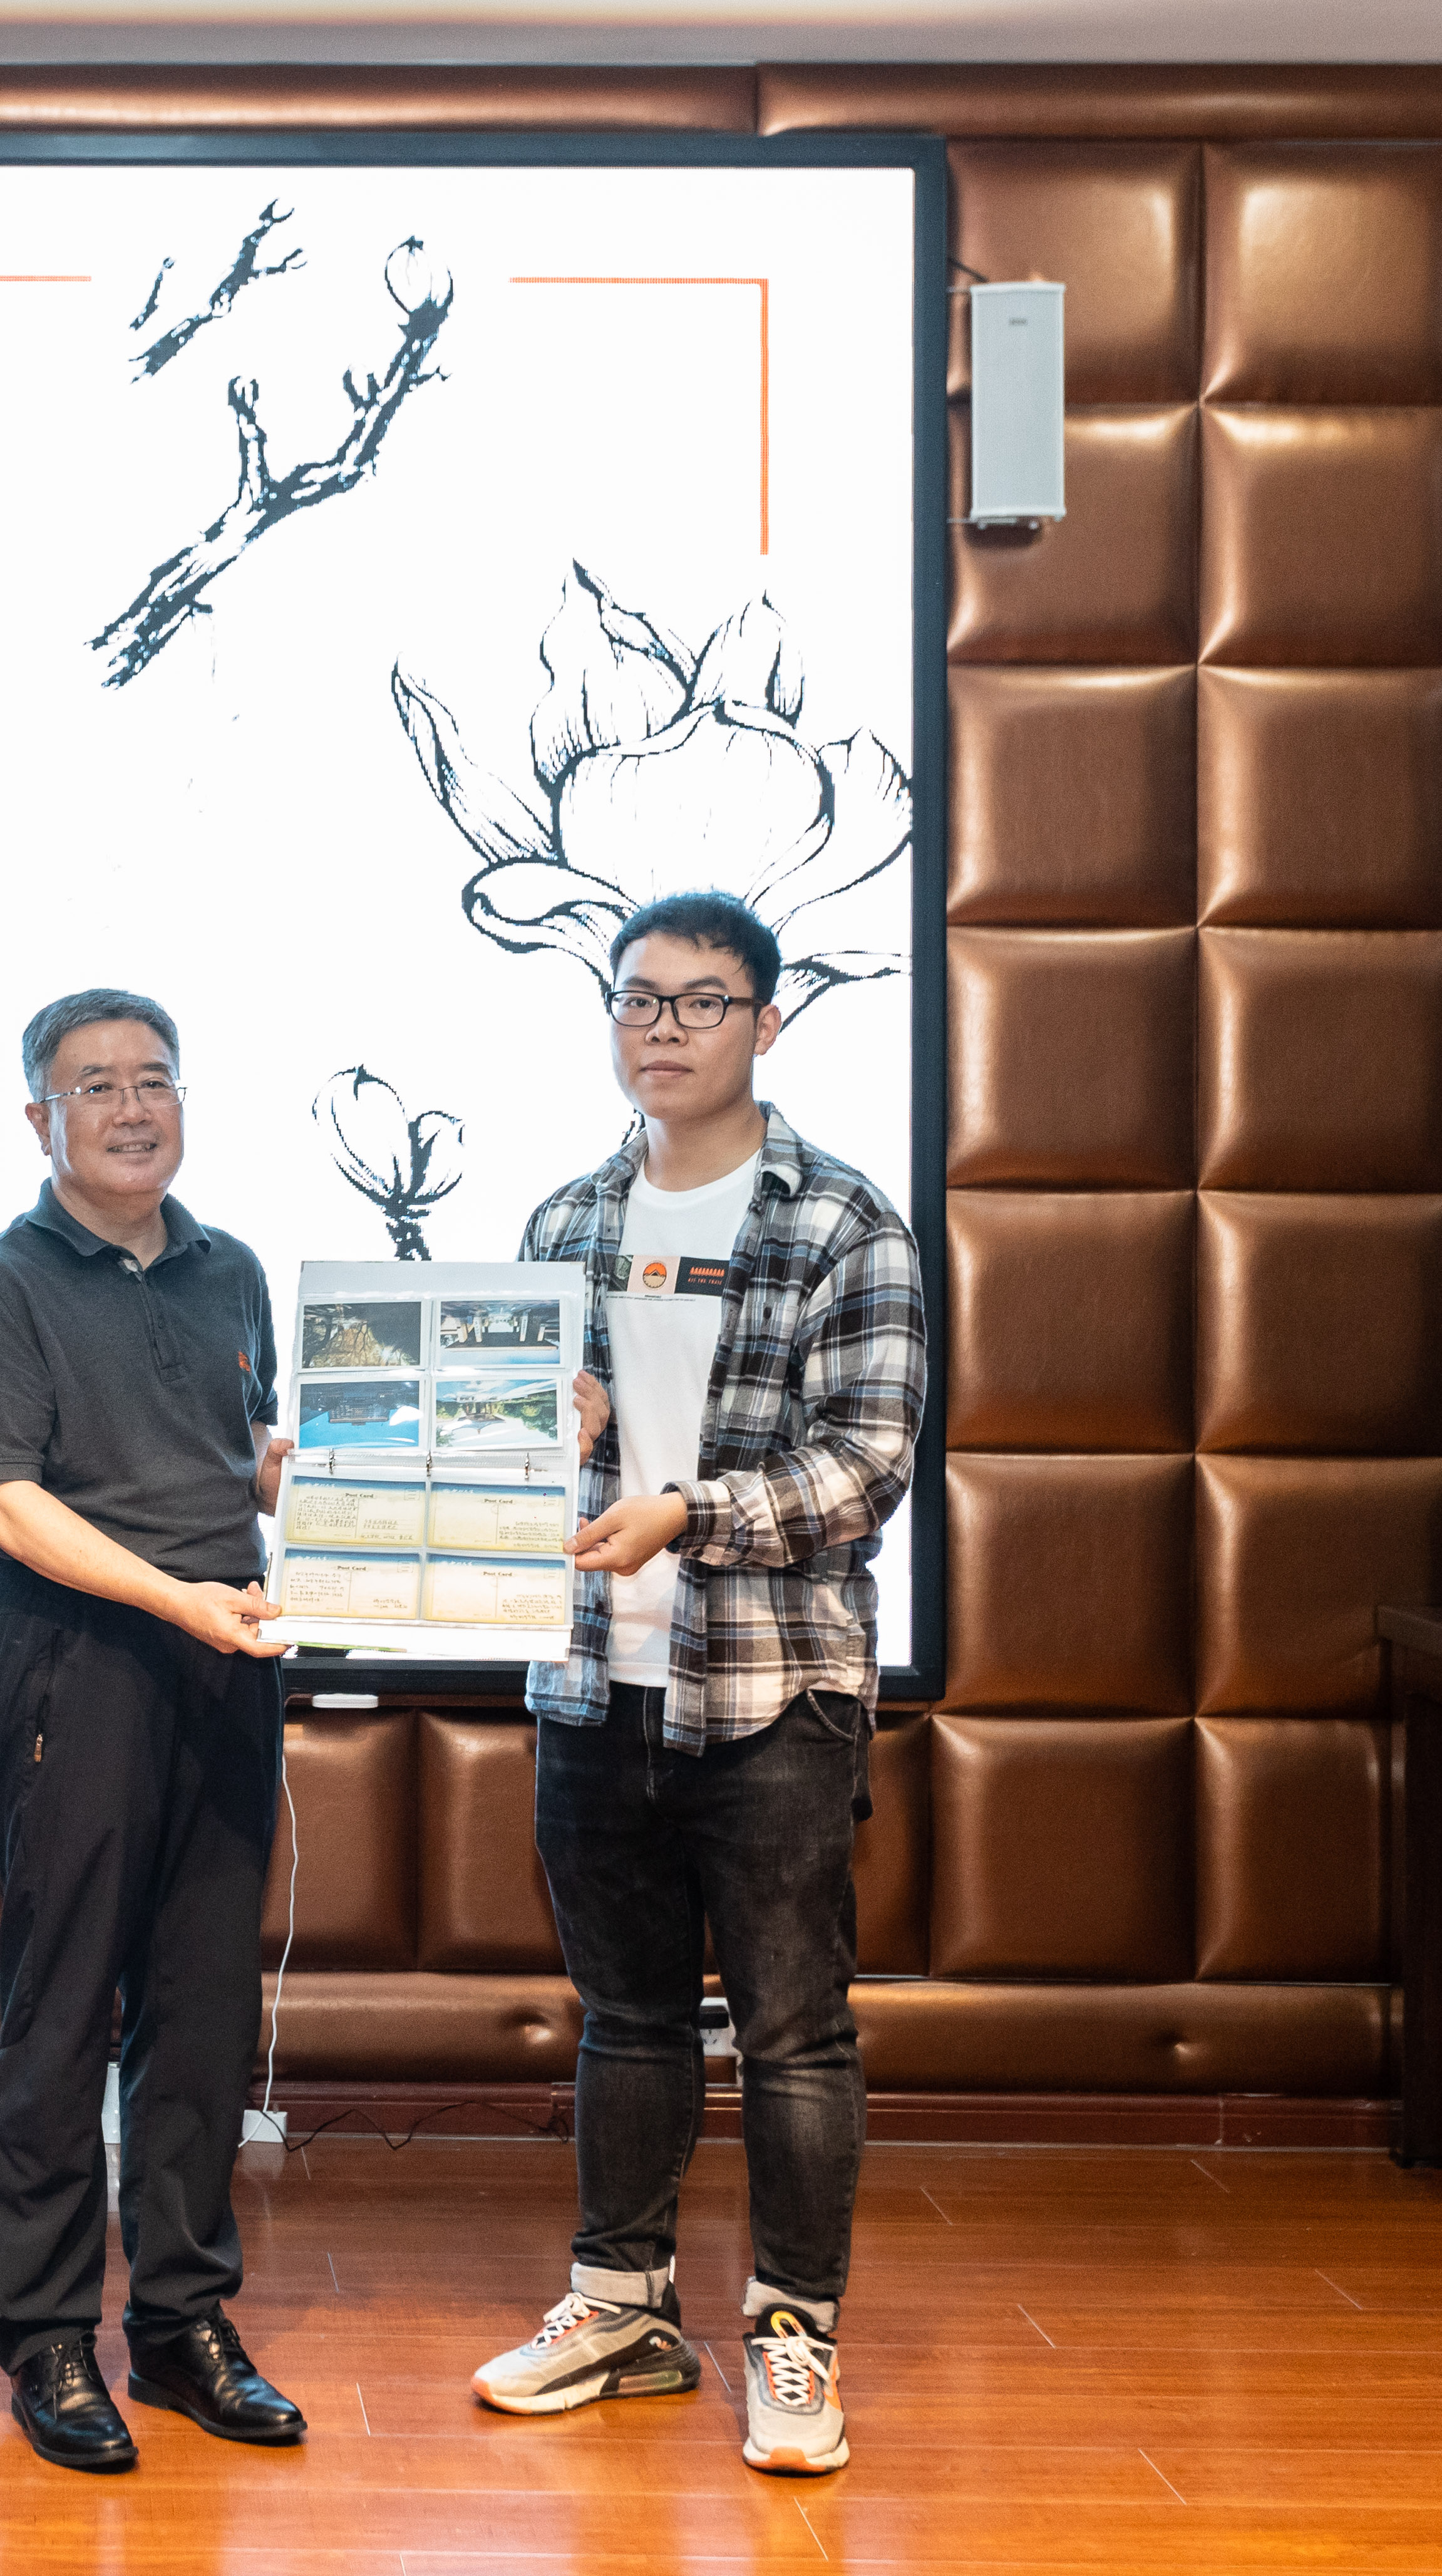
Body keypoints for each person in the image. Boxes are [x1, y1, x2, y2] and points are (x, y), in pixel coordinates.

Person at [467, 890, 924, 2478]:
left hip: (773, 1690)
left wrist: (689, 1511)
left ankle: (794, 2332)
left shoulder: (843, 1220)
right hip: (594, 1682)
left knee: (793, 2032)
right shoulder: (563, 1222)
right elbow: (519, 1453)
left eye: (701, 1000)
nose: (662, 1028)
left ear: (766, 1021)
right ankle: (623, 2307)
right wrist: (547, 1430)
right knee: (626, 2016)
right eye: (637, 998)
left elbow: (865, 1464)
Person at [0, 988, 304, 2475]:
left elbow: (246, 1455)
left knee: (203, 2007)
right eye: (95, 1085)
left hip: (226, 1663)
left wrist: (411, 1467)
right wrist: (173, 1598)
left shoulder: (232, 1270)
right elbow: (4, 1506)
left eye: (155, 1079)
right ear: (41, 1117)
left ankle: (179, 2320)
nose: (132, 1107)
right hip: (76, 1667)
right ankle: (43, 2332)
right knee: (63, 2004)